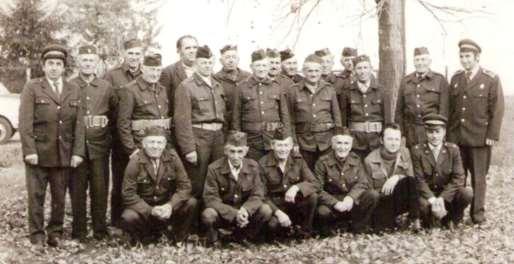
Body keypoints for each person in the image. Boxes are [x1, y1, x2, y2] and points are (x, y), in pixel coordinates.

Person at [19, 44, 85, 247]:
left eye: (58, 64)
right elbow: (25, 122)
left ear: (64, 67)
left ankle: (55, 233)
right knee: (36, 196)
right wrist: (29, 150)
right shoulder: (33, 87)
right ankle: (37, 235)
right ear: (44, 66)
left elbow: (79, 124)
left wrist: (77, 152)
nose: (54, 67)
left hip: (63, 154)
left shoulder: (73, 88)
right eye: (50, 64)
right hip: (38, 153)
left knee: (59, 196)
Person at [447, 39, 504, 224]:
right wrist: (449, 136)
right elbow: (451, 109)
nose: (464, 60)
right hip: (458, 138)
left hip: (480, 139)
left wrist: (492, 136)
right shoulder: (456, 79)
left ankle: (477, 215)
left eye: (468, 56)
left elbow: (497, 109)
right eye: (462, 56)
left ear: (477, 57)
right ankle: (456, 215)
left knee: (479, 179)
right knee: (458, 178)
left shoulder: (490, 79)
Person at [69, 45, 117, 241]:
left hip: (99, 147)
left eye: (91, 60)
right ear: (78, 62)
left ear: (97, 63)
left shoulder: (105, 87)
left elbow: (114, 115)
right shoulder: (70, 85)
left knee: (100, 189)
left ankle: (100, 229)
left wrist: (108, 140)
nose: (88, 63)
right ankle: (79, 230)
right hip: (77, 148)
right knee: (77, 190)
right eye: (84, 60)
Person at [121, 126, 197, 244]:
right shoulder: (135, 161)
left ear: (164, 144)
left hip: (167, 209)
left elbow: (185, 186)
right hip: (146, 211)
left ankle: (178, 237)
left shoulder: (172, 157)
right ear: (144, 144)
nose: (155, 146)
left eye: (159, 142)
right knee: (129, 216)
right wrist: (150, 210)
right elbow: (128, 194)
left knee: (191, 202)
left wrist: (170, 205)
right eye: (151, 142)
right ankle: (145, 238)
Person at [202, 131, 272, 245]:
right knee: (208, 214)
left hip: (246, 215)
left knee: (266, 210)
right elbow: (210, 198)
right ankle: (216, 240)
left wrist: (246, 210)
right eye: (232, 151)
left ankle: (246, 237)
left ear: (246, 151)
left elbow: (258, 194)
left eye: (240, 152)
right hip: (224, 215)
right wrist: (234, 214)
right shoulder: (214, 168)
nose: (236, 156)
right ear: (225, 151)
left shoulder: (253, 166)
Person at [174, 45, 226, 199]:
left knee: (218, 179)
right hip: (199, 138)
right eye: (203, 62)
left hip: (218, 137)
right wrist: (189, 149)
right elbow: (182, 121)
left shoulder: (217, 85)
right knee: (198, 182)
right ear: (196, 63)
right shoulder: (186, 86)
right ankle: (193, 222)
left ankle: (212, 219)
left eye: (210, 62)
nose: (207, 65)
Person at [103, 38, 144, 227]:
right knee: (120, 180)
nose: (134, 57)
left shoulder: (148, 74)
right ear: (123, 54)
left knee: (142, 179)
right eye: (131, 53)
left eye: (137, 53)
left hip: (144, 138)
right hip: (120, 138)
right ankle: (117, 222)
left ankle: (140, 220)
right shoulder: (112, 76)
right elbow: (107, 106)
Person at [412, 114, 473, 228]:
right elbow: (419, 180)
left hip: (446, 194)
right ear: (426, 132)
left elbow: (459, 177)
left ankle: (452, 219)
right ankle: (428, 220)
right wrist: (432, 199)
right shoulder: (417, 151)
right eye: (430, 132)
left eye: (437, 131)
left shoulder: (453, 150)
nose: (434, 136)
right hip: (428, 194)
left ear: (444, 132)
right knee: (422, 204)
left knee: (466, 194)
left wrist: (442, 198)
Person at [315, 127, 378, 235]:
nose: (342, 147)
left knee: (373, 195)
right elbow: (317, 189)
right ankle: (332, 228)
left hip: (351, 203)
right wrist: (334, 203)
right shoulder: (322, 162)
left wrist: (350, 198)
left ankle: (358, 227)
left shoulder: (356, 159)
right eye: (339, 143)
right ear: (333, 144)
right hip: (332, 203)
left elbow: (363, 183)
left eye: (346, 143)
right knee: (322, 212)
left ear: (351, 145)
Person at [259, 128, 319, 238]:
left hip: (293, 203)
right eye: (279, 145)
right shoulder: (263, 164)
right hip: (276, 205)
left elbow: (314, 183)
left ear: (291, 146)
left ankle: (305, 231)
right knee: (273, 226)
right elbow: (262, 195)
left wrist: (296, 187)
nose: (283, 149)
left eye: (286, 145)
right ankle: (285, 232)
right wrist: (278, 213)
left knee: (312, 196)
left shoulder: (298, 160)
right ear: (272, 146)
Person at [232, 49, 291, 160]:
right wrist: (239, 141)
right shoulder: (241, 87)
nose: (261, 69)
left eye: (264, 65)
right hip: (251, 140)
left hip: (273, 138)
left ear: (268, 66)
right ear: (251, 67)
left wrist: (286, 138)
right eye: (258, 65)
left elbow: (284, 115)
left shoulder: (276, 86)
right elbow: (236, 118)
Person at [287, 54, 342, 170]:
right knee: (307, 174)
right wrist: (294, 143)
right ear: (303, 71)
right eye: (310, 71)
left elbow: (337, 118)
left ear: (321, 71)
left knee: (327, 173)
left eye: (317, 70)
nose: (313, 74)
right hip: (304, 143)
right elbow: (290, 120)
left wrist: (337, 139)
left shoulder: (329, 89)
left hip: (326, 142)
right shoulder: (293, 91)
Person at [364, 123, 420, 231]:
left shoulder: (405, 152)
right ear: (381, 140)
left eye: (396, 139)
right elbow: (369, 192)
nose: (394, 143)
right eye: (390, 139)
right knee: (384, 229)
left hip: (397, 198)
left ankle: (414, 220)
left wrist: (397, 177)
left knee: (410, 181)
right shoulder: (370, 160)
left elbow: (411, 177)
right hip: (381, 202)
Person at [117, 53, 173, 158]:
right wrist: (132, 150)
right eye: (152, 69)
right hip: (141, 145)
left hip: (162, 145)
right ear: (142, 68)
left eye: (158, 70)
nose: (155, 74)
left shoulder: (162, 90)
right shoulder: (130, 90)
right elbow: (123, 123)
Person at [339, 54, 392, 159]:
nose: (362, 71)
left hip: (376, 140)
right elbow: (343, 120)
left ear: (371, 69)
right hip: (356, 141)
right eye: (359, 68)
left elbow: (387, 120)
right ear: (354, 70)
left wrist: (384, 138)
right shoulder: (347, 92)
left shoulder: (382, 91)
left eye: (365, 67)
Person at [395, 47, 449, 148]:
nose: (420, 63)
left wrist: (440, 134)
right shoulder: (406, 81)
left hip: (432, 132)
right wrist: (401, 134)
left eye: (423, 59)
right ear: (414, 62)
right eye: (417, 60)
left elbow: (444, 111)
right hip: (410, 133)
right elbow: (399, 111)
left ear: (429, 61)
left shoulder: (440, 80)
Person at [213, 44, 251, 131]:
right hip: (226, 125)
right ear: (221, 61)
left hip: (246, 123)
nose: (231, 60)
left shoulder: (248, 77)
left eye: (234, 57)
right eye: (227, 57)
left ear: (238, 60)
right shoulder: (215, 79)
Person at [160, 35, 199, 113]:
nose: (192, 51)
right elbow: (164, 103)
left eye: (195, 47)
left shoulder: (207, 71)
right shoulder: (168, 72)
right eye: (187, 48)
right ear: (178, 51)